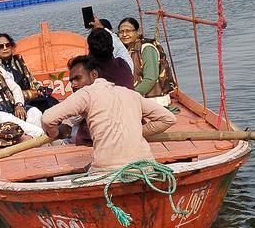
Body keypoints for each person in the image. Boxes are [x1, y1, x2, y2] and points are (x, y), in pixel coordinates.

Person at [40, 56, 178, 171]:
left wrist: (54, 134)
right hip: (145, 166)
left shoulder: (86, 94)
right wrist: (136, 132)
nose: (73, 85)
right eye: (71, 81)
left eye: (77, 78)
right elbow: (168, 118)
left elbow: (47, 119)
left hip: (107, 170)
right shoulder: (129, 93)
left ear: (93, 75)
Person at [118, 17, 174, 106]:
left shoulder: (147, 48)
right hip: (138, 97)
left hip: (154, 100)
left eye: (128, 31)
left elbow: (150, 78)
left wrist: (130, 95)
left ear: (138, 31)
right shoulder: (129, 49)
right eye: (121, 32)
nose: (124, 34)